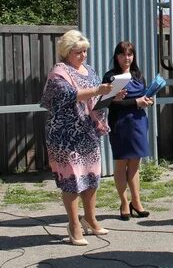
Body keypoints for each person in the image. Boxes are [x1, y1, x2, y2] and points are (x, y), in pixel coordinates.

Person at [39, 30, 113, 246]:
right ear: (66, 52)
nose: (83, 55)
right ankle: (74, 225)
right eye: (79, 52)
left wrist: (112, 94)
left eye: (85, 51)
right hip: (64, 136)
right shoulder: (58, 73)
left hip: (87, 132)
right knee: (71, 181)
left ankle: (90, 219)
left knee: (91, 178)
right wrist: (96, 90)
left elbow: (97, 95)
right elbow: (67, 96)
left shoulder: (89, 69)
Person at [103, 41, 153, 221]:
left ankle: (137, 202)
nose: (127, 58)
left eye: (130, 54)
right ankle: (124, 202)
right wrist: (135, 102)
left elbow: (144, 96)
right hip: (120, 124)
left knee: (135, 164)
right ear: (117, 57)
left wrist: (147, 101)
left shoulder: (138, 75)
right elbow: (108, 102)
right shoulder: (110, 77)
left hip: (138, 123)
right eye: (123, 54)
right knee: (121, 164)